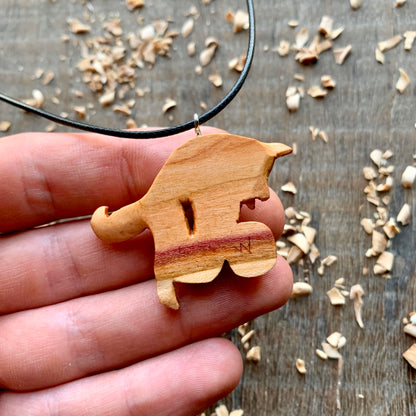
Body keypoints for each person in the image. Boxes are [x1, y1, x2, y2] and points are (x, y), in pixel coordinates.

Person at [0, 127, 292, 415]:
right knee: (184, 233)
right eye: (260, 180)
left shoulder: (221, 172)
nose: (263, 194)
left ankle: (190, 266)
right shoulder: (206, 176)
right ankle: (171, 278)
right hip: (179, 211)